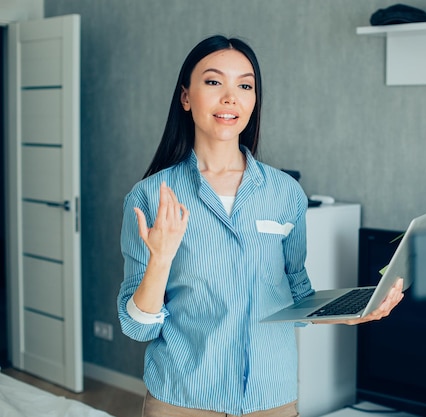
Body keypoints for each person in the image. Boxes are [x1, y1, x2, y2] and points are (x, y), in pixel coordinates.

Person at [117, 35, 404, 417]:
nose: (230, 97)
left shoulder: (286, 193)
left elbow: (296, 292)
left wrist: (351, 311)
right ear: (186, 97)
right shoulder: (151, 196)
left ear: (254, 100)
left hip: (272, 397)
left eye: (245, 85)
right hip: (182, 398)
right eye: (214, 82)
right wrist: (161, 259)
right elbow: (137, 327)